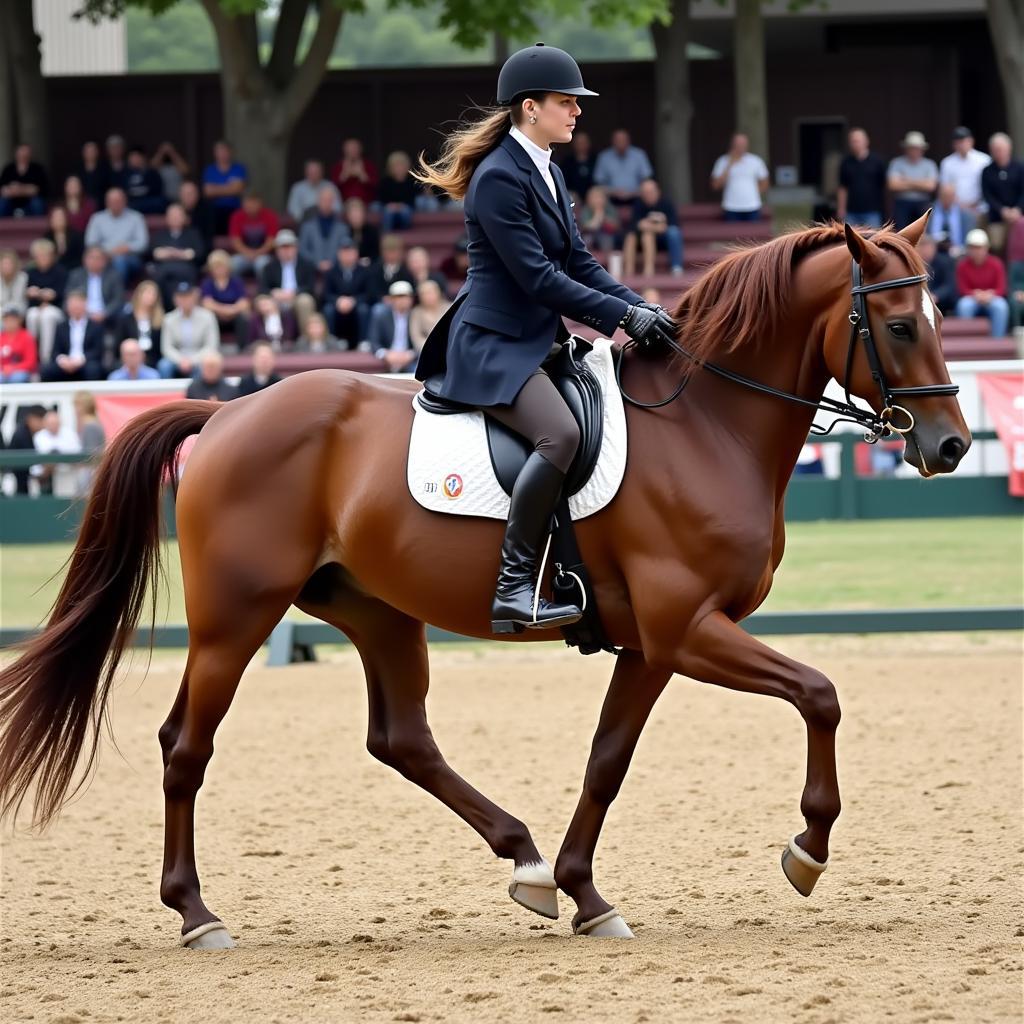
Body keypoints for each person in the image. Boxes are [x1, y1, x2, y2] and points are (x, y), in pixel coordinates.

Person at [413, 42, 674, 632]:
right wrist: (622, 320)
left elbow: (580, 262)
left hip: (537, 341)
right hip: (492, 345)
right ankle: (514, 586)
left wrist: (643, 309)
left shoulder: (549, 170)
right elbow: (538, 278)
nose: (577, 112)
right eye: (566, 102)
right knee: (559, 434)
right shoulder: (499, 178)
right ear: (530, 108)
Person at [84, 187, 149, 282]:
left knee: (120, 260)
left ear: (124, 201)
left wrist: (127, 248)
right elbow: (90, 242)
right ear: (106, 202)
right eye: (112, 201)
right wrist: (107, 252)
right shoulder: (97, 218)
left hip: (129, 258)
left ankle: (117, 292)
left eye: (118, 200)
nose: (115, 203)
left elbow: (143, 243)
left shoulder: (136, 217)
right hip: (103, 257)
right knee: (94, 260)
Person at [622, 177, 684, 277]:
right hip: (642, 239)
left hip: (663, 238)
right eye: (645, 192)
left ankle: (676, 267)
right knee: (636, 236)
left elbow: (673, 224)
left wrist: (650, 226)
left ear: (658, 191)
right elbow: (633, 225)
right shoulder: (638, 204)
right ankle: (630, 271)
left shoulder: (666, 203)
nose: (648, 195)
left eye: (651, 192)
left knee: (674, 232)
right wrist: (651, 226)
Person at [148, 201, 206, 306]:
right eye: (172, 215)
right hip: (164, 273)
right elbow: (151, 253)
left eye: (178, 215)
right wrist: (166, 253)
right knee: (163, 280)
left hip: (185, 271)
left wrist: (179, 254)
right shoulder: (159, 235)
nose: (175, 218)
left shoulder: (193, 234)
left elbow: (200, 253)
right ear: (167, 218)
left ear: (184, 217)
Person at [259, 229, 317, 332]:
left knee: (305, 301)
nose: (286, 250)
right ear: (277, 249)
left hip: (296, 297)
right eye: (283, 247)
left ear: (296, 248)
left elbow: (310, 287)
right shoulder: (269, 267)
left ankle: (305, 338)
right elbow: (262, 288)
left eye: (289, 246)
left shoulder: (306, 265)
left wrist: (295, 292)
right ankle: (272, 339)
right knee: (264, 301)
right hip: (277, 298)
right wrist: (274, 293)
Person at [160, 281, 221, 377]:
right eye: (181, 297)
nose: (184, 300)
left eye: (187, 296)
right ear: (175, 299)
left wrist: (192, 361)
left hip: (199, 357)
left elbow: (211, 346)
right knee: (164, 365)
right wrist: (181, 360)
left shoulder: (208, 316)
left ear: (194, 297)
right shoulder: (169, 319)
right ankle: (165, 392)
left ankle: (198, 392)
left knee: (204, 365)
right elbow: (167, 348)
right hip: (177, 359)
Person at [955, 229, 1009, 336]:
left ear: (986, 248)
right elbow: (962, 289)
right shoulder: (962, 265)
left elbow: (1002, 288)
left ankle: (997, 342)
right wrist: (976, 294)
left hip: (992, 298)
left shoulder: (997, 264)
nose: (977, 251)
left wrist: (989, 295)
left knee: (1001, 306)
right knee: (964, 306)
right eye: (973, 248)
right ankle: (968, 342)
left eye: (979, 247)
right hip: (972, 298)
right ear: (968, 249)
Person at [41, 290, 104, 382]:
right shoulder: (61, 326)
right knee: (47, 370)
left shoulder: (95, 327)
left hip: (85, 363)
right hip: (66, 362)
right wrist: (62, 360)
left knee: (93, 370)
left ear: (85, 305)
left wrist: (80, 360)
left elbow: (97, 351)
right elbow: (55, 351)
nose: (75, 307)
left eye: (78, 303)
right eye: (72, 304)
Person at [24, 239, 67, 364]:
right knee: (32, 315)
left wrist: (51, 296)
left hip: (56, 309)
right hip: (36, 308)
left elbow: (62, 295)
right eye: (39, 256)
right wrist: (30, 294)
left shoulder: (60, 271)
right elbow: (28, 298)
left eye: (45, 255)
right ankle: (32, 356)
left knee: (47, 316)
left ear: (52, 256)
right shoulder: (30, 272)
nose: (42, 258)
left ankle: (46, 359)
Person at [322, 239, 373, 345]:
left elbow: (369, 294)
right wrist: (338, 301)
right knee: (328, 310)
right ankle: (332, 341)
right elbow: (326, 294)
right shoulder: (331, 272)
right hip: (337, 306)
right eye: (344, 252)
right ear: (338, 254)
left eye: (350, 252)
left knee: (363, 309)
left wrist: (353, 301)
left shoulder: (365, 271)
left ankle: (363, 341)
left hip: (357, 305)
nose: (347, 255)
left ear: (356, 253)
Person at [981, 133, 1024, 255]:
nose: (998, 152)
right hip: (997, 217)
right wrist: (1002, 210)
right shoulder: (987, 171)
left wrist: (1018, 209)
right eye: (995, 150)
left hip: (1019, 216)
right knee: (996, 244)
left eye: (1000, 149)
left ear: (1008, 149)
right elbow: (987, 195)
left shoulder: (1020, 168)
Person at [711, 133, 769, 221]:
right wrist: (729, 164)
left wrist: (750, 192)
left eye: (743, 144)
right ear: (732, 145)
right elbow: (716, 185)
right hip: (731, 207)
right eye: (737, 144)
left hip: (752, 206)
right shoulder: (722, 161)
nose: (740, 147)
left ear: (747, 145)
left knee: (753, 234)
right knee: (732, 234)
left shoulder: (756, 161)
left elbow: (765, 183)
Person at [836, 127, 887, 227]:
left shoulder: (877, 161)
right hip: (851, 213)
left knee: (871, 241)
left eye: (857, 141)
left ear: (866, 142)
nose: (855, 144)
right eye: (852, 141)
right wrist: (841, 209)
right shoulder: (845, 162)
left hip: (873, 212)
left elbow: (884, 185)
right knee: (850, 241)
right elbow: (842, 187)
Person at [887, 131, 938, 229]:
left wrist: (906, 181)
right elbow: (893, 185)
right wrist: (921, 183)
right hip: (902, 203)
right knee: (901, 232)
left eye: (917, 148)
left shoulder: (929, 165)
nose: (914, 151)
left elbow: (930, 186)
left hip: (922, 203)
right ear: (906, 148)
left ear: (922, 149)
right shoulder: (897, 163)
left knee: (922, 232)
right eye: (912, 148)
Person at [200, 249, 251, 346]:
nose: (219, 270)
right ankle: (212, 347)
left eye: (221, 266)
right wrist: (225, 310)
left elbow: (244, 303)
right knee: (208, 316)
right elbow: (207, 304)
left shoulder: (236, 281)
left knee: (244, 317)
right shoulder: (207, 283)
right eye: (216, 267)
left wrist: (232, 310)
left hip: (234, 315)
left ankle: (242, 347)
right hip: (217, 316)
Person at [594, 129, 654, 210]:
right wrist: (614, 192)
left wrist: (633, 192)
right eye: (618, 140)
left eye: (623, 140)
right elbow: (598, 182)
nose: (621, 142)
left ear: (629, 141)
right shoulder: (604, 157)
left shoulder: (639, 155)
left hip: (637, 198)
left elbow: (647, 179)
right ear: (612, 141)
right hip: (611, 200)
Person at [67, 246, 124, 329]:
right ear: (84, 260)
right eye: (91, 258)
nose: (94, 261)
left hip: (106, 317)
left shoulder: (113, 276)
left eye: (98, 258)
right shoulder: (76, 275)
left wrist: (104, 313)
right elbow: (68, 298)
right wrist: (82, 312)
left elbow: (118, 299)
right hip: (81, 315)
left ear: (104, 261)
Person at [299, 186, 352, 273]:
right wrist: (317, 262)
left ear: (333, 202)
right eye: (323, 200)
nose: (326, 203)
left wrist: (332, 263)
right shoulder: (307, 226)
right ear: (318, 201)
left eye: (329, 200)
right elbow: (302, 250)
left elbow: (345, 248)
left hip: (337, 272)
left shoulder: (343, 228)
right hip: (311, 271)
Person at [938, 127, 990, 214]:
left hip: (980, 208)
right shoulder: (947, 163)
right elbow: (944, 188)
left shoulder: (984, 160)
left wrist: (974, 205)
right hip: (955, 209)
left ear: (971, 141)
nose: (961, 145)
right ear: (953, 144)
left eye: (964, 141)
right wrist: (960, 205)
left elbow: (989, 187)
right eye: (958, 143)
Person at [32, 409, 82, 498]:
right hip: (44, 475)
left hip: (65, 473)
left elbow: (76, 452)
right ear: (45, 424)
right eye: (50, 424)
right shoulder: (39, 436)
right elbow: (43, 452)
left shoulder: (69, 433)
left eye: (55, 423)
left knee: (66, 498)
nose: (53, 426)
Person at [369, 279, 418, 371]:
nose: (403, 300)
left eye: (407, 296)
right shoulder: (381, 315)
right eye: (399, 297)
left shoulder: (416, 315)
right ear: (391, 299)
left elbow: (422, 341)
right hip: (387, 358)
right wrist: (385, 354)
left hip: (410, 359)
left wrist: (411, 354)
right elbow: (374, 341)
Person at [202, 140, 248, 234]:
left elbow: (238, 189)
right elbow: (208, 192)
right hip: (214, 209)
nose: (222, 154)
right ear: (215, 153)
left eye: (225, 151)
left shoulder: (239, 168)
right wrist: (229, 187)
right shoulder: (209, 170)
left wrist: (216, 188)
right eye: (220, 151)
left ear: (230, 152)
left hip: (234, 208)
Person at [228, 192, 279, 277]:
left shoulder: (270, 216)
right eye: (248, 202)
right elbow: (235, 241)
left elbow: (271, 241)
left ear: (260, 203)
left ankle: (262, 289)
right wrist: (248, 253)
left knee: (262, 264)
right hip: (243, 254)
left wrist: (257, 253)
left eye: (253, 202)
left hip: (263, 255)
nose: (250, 205)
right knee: (232, 264)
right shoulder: (237, 216)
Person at [116, 279, 164, 367]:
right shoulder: (126, 318)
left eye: (153, 294)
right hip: (130, 356)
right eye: (147, 293)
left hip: (152, 358)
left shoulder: (160, 319)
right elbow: (120, 342)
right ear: (139, 295)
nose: (151, 297)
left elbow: (161, 347)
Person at [6, 405, 47, 494]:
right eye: (40, 420)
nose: (42, 424)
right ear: (31, 418)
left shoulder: (35, 434)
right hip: (17, 478)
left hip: (25, 477)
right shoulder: (21, 434)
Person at [927, 182, 975, 257]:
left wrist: (960, 250)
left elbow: (969, 241)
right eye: (944, 196)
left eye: (950, 196)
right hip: (933, 253)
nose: (947, 199)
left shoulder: (965, 215)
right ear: (939, 196)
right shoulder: (928, 213)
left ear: (955, 197)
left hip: (958, 253)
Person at [0, 143, 49, 217]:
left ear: (30, 154)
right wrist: (26, 189)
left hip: (31, 204)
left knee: (37, 203)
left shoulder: (37, 169)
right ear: (16, 154)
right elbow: (3, 190)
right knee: (2, 203)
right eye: (21, 152)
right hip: (11, 204)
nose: (23, 155)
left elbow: (39, 190)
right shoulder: (8, 169)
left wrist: (18, 189)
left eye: (26, 153)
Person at [72, 391, 106, 495]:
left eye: (77, 405)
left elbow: (92, 454)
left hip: (90, 473)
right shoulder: (91, 423)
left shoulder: (90, 425)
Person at [378, 150, 420, 231]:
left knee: (405, 211)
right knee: (387, 211)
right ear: (390, 167)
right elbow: (382, 198)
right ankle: (387, 234)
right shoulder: (385, 182)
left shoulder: (412, 181)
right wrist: (391, 205)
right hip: (389, 207)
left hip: (406, 207)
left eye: (401, 165)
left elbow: (414, 198)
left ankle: (405, 232)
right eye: (396, 165)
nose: (399, 168)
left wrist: (401, 206)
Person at [917, 234, 957, 314]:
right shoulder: (914, 264)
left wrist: (936, 295)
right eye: (922, 247)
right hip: (919, 301)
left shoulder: (945, 262)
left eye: (927, 247)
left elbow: (949, 285)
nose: (925, 251)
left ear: (934, 248)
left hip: (941, 302)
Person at [331, 138, 378, 205]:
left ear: (360, 150)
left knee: (376, 207)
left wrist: (363, 175)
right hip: (344, 204)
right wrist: (344, 175)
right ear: (345, 150)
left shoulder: (369, 166)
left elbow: (375, 187)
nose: (353, 151)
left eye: (355, 148)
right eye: (350, 149)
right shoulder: (338, 167)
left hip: (367, 203)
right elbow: (332, 189)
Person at [577, 185, 621, 255]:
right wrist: (597, 216)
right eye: (595, 198)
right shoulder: (585, 210)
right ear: (589, 199)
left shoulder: (610, 209)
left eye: (600, 198)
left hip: (607, 234)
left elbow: (615, 227)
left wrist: (604, 218)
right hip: (589, 235)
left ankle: (607, 260)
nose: (598, 201)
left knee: (606, 239)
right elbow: (586, 227)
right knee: (587, 239)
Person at [410, 279, 451, 351]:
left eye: (431, 293)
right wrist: (430, 347)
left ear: (438, 293)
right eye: (424, 294)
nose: (428, 297)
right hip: (426, 351)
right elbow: (416, 337)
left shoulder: (449, 308)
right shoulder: (416, 312)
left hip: (448, 348)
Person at [123, 146, 166, 214]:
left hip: (148, 201)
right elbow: (122, 191)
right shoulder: (124, 173)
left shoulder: (152, 172)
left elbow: (158, 191)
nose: (135, 159)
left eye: (137, 156)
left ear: (143, 158)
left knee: (160, 201)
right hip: (132, 202)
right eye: (132, 157)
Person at [0, 306, 38, 382]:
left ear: (19, 320)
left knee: (17, 378)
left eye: (12, 319)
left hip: (21, 371)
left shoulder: (27, 337)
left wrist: (13, 368)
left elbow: (31, 362)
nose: (9, 322)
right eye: (6, 319)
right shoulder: (1, 337)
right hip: (3, 371)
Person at [178, 179, 216, 252]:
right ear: (180, 195)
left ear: (197, 194)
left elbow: (207, 239)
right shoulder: (175, 211)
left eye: (190, 193)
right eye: (184, 194)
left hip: (200, 250)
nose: (187, 197)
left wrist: (189, 223)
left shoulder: (207, 211)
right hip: (178, 250)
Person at [559, 130, 596, 200]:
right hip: (573, 195)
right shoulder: (567, 162)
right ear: (574, 144)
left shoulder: (595, 160)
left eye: (584, 142)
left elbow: (598, 181)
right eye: (579, 143)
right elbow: (563, 182)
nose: (581, 145)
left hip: (592, 195)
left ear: (589, 143)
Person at [343, 197, 379, 262]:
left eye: (358, 214)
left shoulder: (372, 232)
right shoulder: (343, 232)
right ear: (348, 216)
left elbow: (376, 255)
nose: (356, 218)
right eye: (353, 215)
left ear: (363, 215)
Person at [74, 141, 109, 206]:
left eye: (92, 151)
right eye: (87, 151)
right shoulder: (77, 171)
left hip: (101, 204)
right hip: (82, 205)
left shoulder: (105, 170)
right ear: (83, 153)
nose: (90, 154)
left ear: (97, 152)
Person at [0, 250, 27, 314]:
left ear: (15, 265)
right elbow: (1, 299)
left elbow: (17, 299)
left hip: (18, 309)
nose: (6, 266)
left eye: (9, 264)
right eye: (4, 264)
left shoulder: (22, 277)